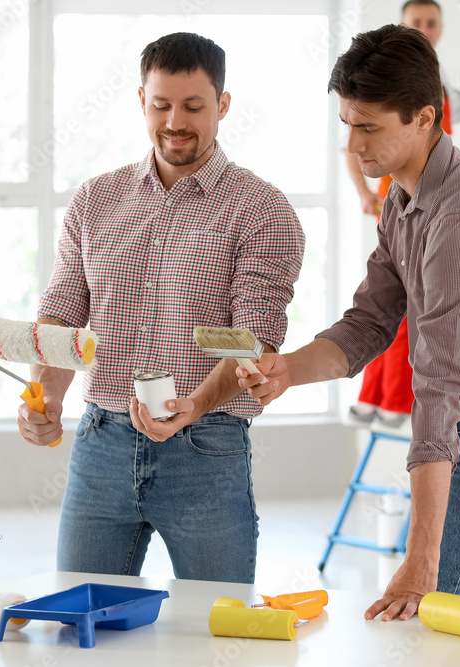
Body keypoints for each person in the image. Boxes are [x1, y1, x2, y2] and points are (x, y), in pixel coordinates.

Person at [238, 25, 460, 620]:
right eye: (347, 125)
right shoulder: (402, 199)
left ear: (423, 117)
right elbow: (369, 321)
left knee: (440, 620)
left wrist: (421, 556)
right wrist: (285, 370)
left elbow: (439, 385)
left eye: (369, 127)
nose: (354, 145)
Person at [16, 32, 304, 584]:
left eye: (194, 106)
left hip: (206, 448)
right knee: (84, 620)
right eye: (161, 105)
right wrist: (45, 396)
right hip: (101, 444)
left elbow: (252, 339)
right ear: (141, 101)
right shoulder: (94, 200)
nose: (175, 121)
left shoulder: (261, 209)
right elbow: (60, 315)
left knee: (214, 624)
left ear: (222, 105)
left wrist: (192, 406)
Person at [346, 0, 460, 426]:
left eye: (430, 23)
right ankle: (389, 401)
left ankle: (374, 400)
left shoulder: (437, 75)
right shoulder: (389, 76)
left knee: (411, 301)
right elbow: (354, 141)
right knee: (404, 303)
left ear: (441, 29)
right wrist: (362, 191)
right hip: (401, 191)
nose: (424, 29)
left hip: (433, 192)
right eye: (416, 23)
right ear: (402, 26)